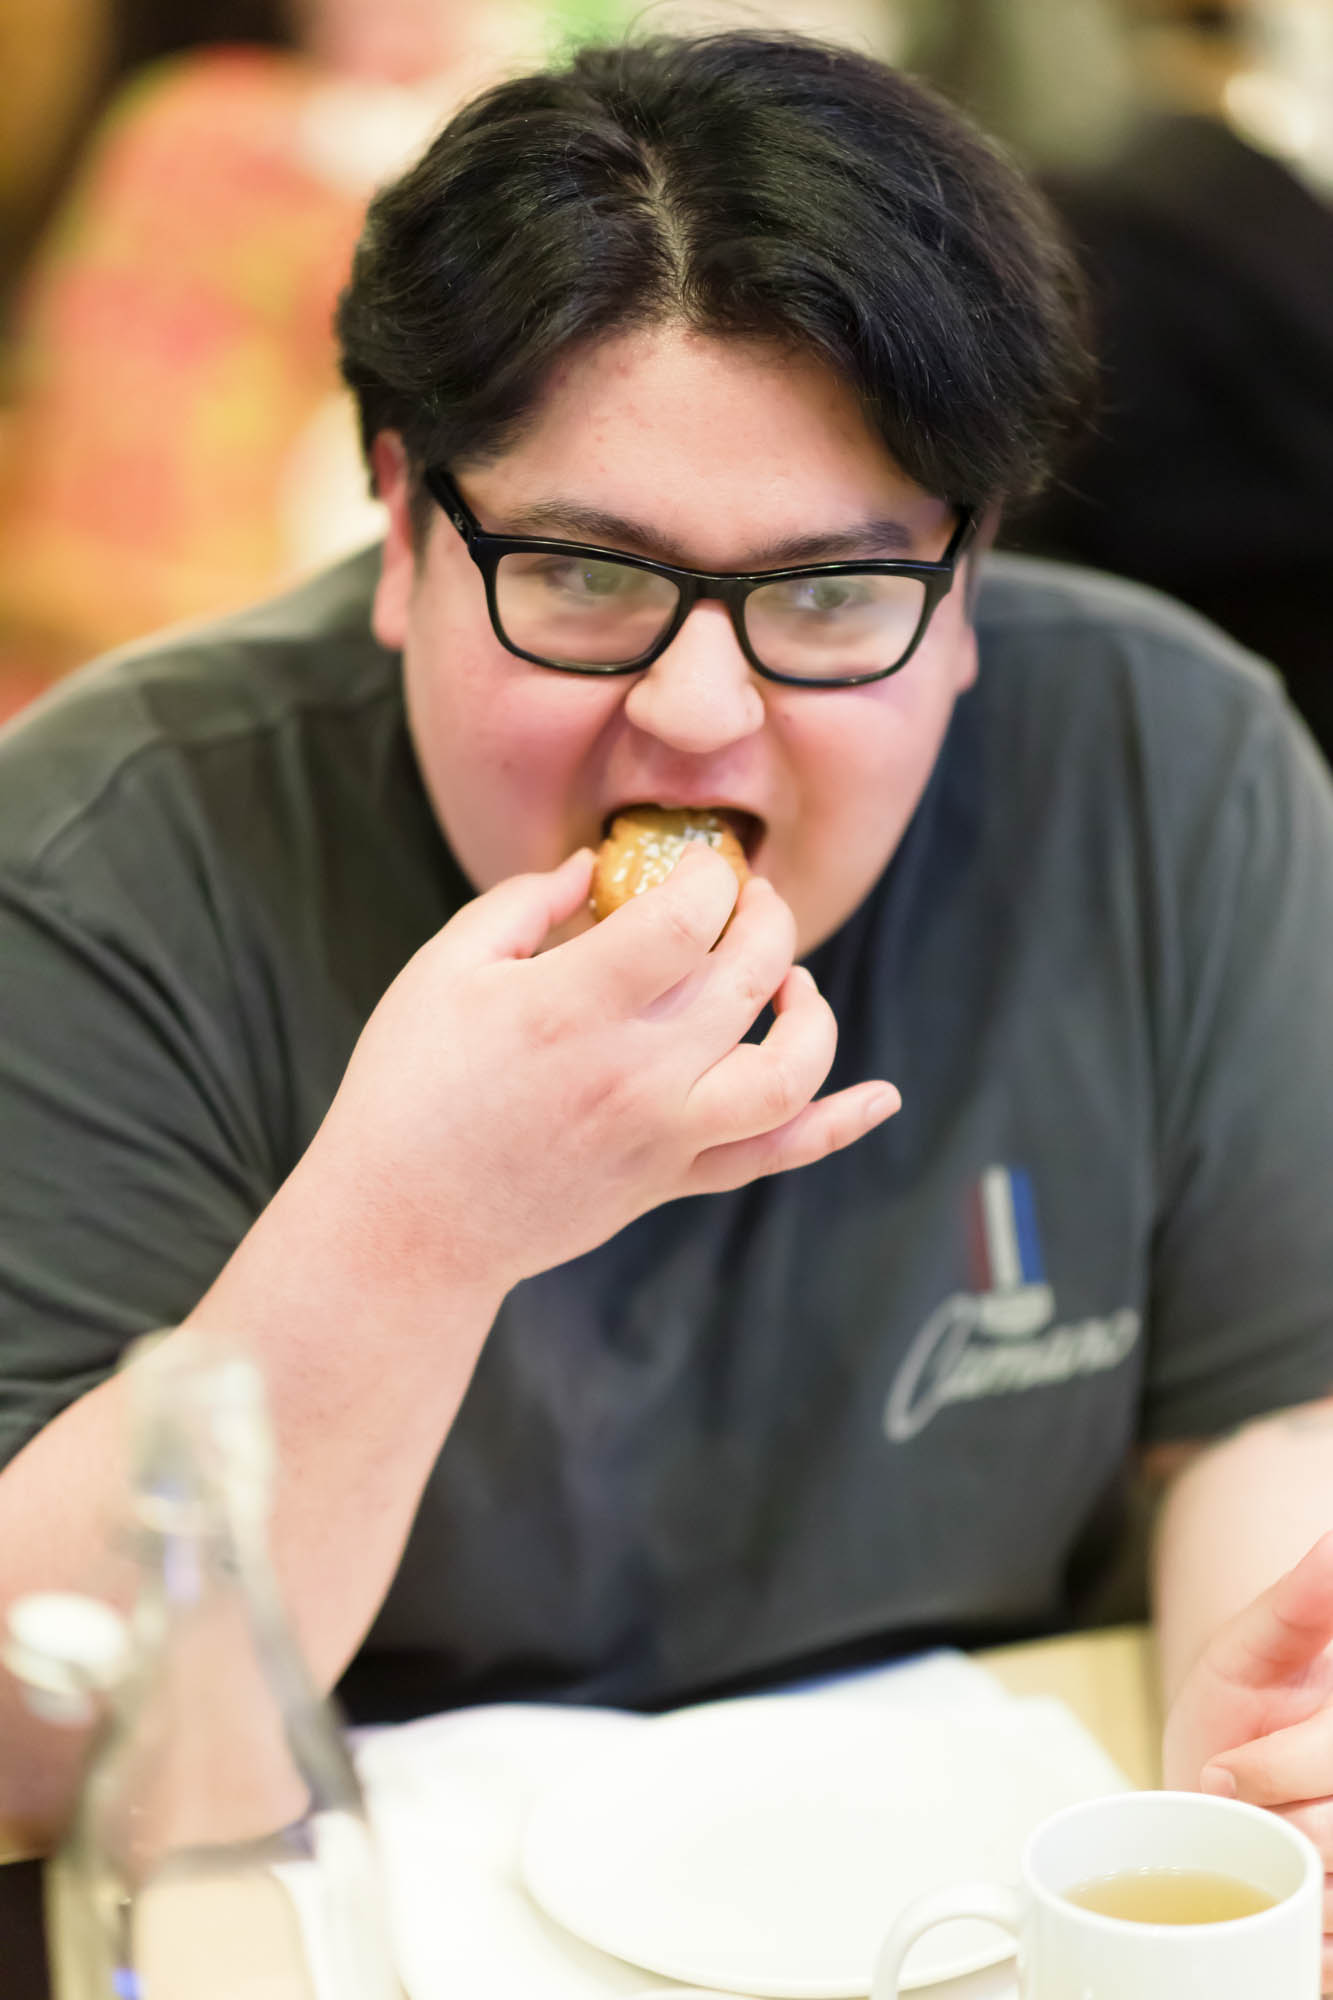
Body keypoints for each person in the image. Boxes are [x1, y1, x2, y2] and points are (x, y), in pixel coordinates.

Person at [1, 31, 1333, 1974]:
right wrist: (419, 1220)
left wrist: (1263, 1762)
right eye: (584, 574)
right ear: (401, 525)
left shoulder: (1169, 768)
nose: (697, 714)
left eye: (830, 591)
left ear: (966, 583)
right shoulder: (108, 853)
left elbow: (1264, 1418)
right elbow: (41, 1755)